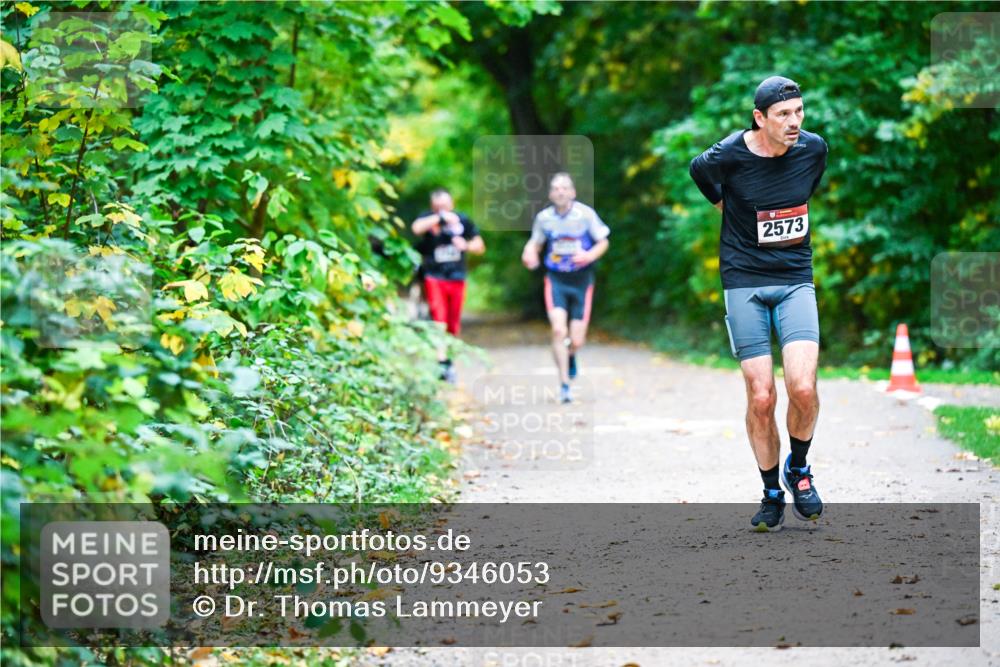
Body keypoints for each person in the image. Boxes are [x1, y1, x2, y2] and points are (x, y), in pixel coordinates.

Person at [689, 76, 828, 531]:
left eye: (799, 111)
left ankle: (798, 470)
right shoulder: (730, 152)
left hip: (794, 278)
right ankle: (771, 493)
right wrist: (722, 203)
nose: (794, 121)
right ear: (759, 117)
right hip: (744, 278)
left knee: (802, 387)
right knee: (762, 395)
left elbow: (801, 193)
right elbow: (697, 170)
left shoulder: (813, 150)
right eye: (783, 114)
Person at [521, 173, 610, 404]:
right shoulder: (544, 218)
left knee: (576, 340)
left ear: (572, 192)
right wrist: (529, 252)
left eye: (564, 188)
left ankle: (571, 355)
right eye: (555, 188)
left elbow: (603, 241)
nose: (560, 192)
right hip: (556, 280)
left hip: (582, 280)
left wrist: (589, 255)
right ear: (550, 194)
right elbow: (535, 243)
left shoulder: (585, 214)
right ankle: (564, 385)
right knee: (559, 331)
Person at [411, 188, 485, 382]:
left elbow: (479, 245)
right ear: (433, 207)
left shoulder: (463, 220)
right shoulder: (428, 219)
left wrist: (465, 245)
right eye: (438, 207)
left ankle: (449, 361)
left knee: (453, 323)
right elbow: (416, 228)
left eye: (445, 206)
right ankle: (442, 362)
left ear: (452, 204)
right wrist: (440, 218)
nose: (442, 209)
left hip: (457, 277)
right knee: (439, 319)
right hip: (434, 277)